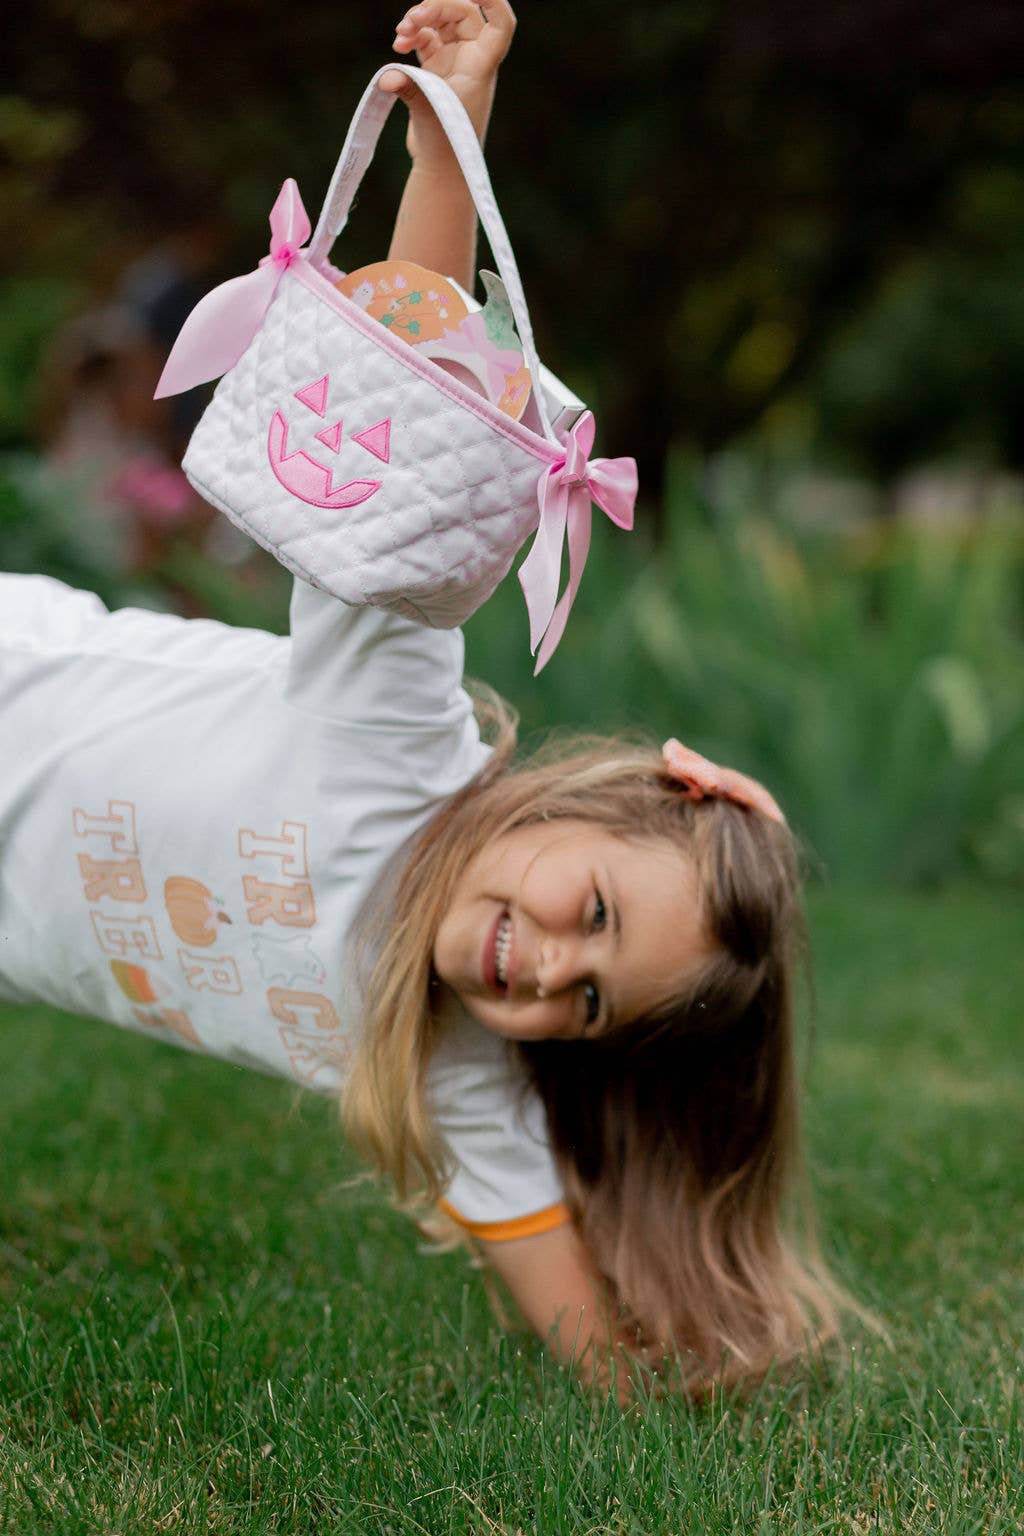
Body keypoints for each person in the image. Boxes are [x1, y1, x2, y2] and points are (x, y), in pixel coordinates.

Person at [0, 0, 845, 1395]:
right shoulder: (389, 745)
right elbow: (405, 408)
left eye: (585, 1005)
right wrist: (453, 131)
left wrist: (648, 1370)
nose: (547, 971)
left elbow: (564, 1298)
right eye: (595, 912)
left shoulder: (444, 1054)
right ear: (598, 802)